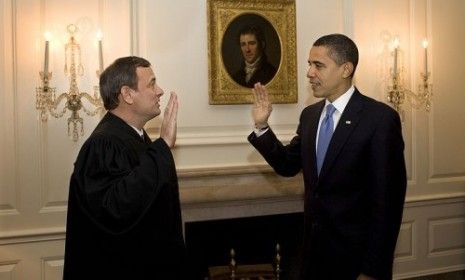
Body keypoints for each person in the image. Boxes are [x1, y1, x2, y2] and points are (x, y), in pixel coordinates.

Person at [248, 34, 407, 280]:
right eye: (309, 65)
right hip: (313, 256)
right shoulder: (310, 116)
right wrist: (262, 127)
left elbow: (388, 204)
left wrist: (372, 269)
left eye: (318, 65)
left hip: (356, 261)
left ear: (346, 69)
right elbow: (288, 165)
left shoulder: (379, 119)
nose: (309, 73)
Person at [63, 56, 186, 279]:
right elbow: (115, 210)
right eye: (151, 84)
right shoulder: (104, 144)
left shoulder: (136, 137)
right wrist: (163, 145)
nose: (160, 90)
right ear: (127, 94)